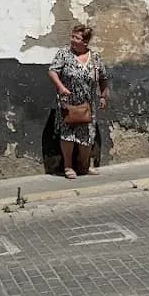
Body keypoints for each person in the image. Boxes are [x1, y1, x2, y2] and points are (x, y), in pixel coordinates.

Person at [48, 22, 109, 179]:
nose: (72, 40)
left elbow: (103, 77)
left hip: (87, 105)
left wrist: (103, 95)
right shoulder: (64, 54)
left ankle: (84, 166)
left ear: (85, 42)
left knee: (87, 137)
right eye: (72, 36)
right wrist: (61, 87)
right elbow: (53, 71)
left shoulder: (95, 58)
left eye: (76, 37)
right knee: (68, 136)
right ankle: (68, 167)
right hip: (68, 103)